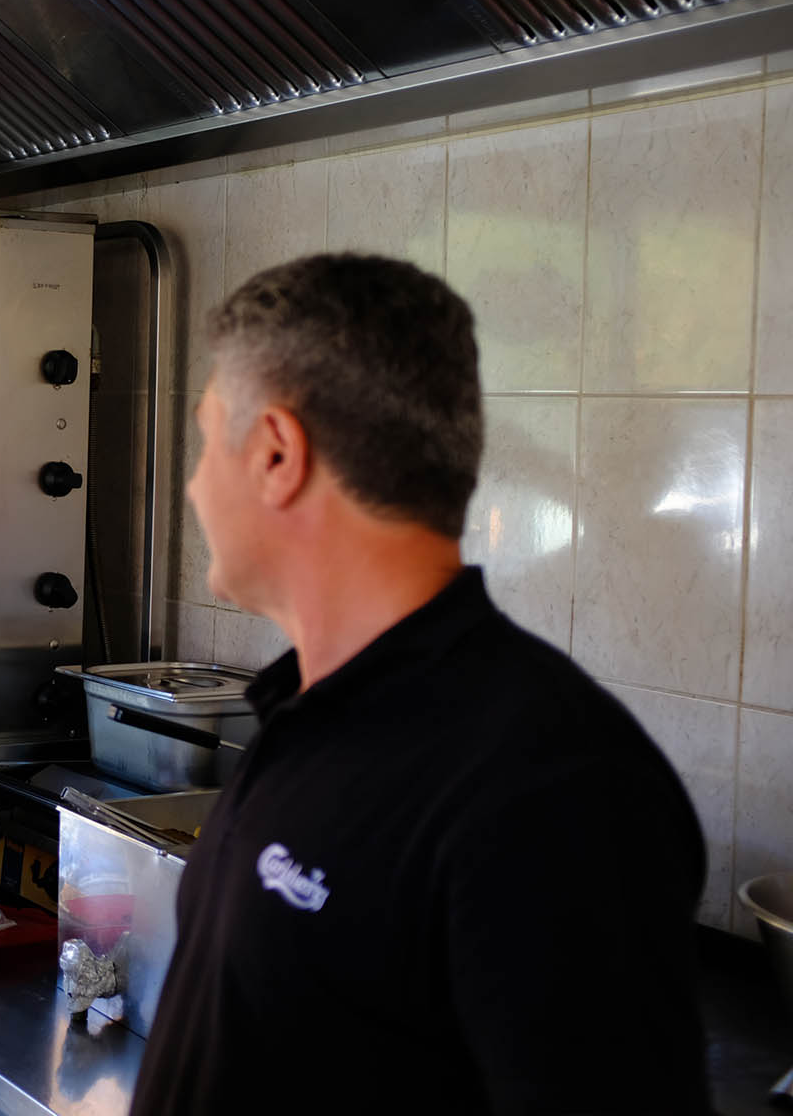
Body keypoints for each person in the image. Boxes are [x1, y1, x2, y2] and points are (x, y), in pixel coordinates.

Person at [131, 255, 710, 1115]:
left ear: (278, 455)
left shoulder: (549, 786)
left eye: (209, 439)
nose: (192, 483)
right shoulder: (308, 711)